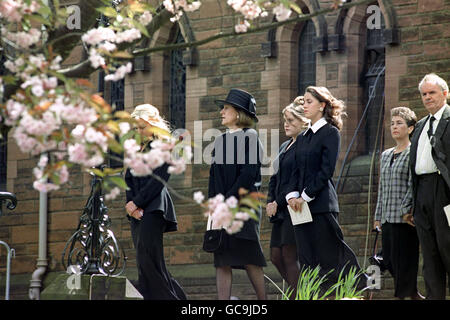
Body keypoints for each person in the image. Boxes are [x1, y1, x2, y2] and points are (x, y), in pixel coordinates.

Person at [286, 86, 364, 288]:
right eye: (303, 101)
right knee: (307, 260)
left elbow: (326, 170)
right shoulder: (302, 137)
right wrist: (292, 196)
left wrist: (305, 196)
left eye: (309, 101)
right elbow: (295, 170)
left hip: (321, 205)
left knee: (331, 256)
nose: (304, 105)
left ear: (322, 105)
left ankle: (358, 287)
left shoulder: (330, 133)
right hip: (300, 208)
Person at [209, 88, 267, 300]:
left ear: (239, 113)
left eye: (226, 108)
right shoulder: (220, 140)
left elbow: (248, 175)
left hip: (243, 208)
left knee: (250, 257)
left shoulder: (250, 137)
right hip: (221, 209)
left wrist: (227, 201)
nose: (221, 112)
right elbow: (214, 177)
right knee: (222, 258)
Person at [125, 104, 187, 300]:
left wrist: (137, 202)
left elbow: (158, 180)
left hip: (154, 208)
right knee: (147, 263)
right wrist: (130, 205)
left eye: (142, 127)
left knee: (148, 261)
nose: (138, 131)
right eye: (135, 128)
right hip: (136, 210)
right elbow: (128, 179)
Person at [373, 106, 424, 300]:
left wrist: (407, 210)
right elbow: (382, 188)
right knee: (391, 262)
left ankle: (405, 296)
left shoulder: (414, 152)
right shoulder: (386, 155)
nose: (394, 127)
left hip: (405, 219)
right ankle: (414, 295)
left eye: (399, 123)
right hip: (387, 218)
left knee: (405, 262)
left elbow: (413, 185)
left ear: (410, 128)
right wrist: (378, 216)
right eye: (392, 123)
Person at [408, 73, 450, 300]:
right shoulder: (421, 125)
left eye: (432, 93)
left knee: (448, 248)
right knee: (430, 257)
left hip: (445, 193)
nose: (427, 98)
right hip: (422, 192)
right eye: (424, 94)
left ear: (445, 94)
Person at [266, 96, 308, 295]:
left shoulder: (304, 145)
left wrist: (279, 202)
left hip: (293, 208)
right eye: (285, 121)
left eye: (291, 121)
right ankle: (297, 293)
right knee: (275, 256)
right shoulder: (284, 147)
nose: (286, 125)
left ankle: (299, 296)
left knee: (290, 256)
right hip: (279, 209)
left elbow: (295, 178)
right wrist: (270, 201)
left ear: (303, 121)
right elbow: (275, 177)